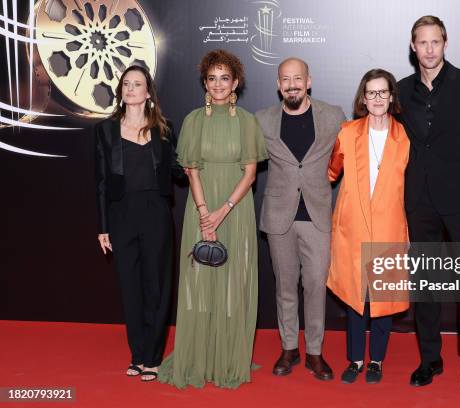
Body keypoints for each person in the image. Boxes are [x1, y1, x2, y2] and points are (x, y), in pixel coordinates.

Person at [397, 16, 460, 396]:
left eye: (435, 42)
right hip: (418, 202)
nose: (428, 49)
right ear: (412, 46)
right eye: (421, 43)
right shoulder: (401, 91)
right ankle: (430, 360)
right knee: (424, 287)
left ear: (445, 44)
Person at [157, 49, 268, 389]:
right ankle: (198, 357)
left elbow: (250, 174)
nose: (218, 84)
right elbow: (191, 170)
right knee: (199, 283)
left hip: (236, 209)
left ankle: (228, 359)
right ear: (204, 82)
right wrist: (206, 213)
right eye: (212, 78)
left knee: (235, 282)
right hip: (200, 206)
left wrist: (222, 212)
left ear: (235, 82)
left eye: (225, 78)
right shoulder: (193, 120)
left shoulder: (247, 121)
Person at [256, 58, 344, 381]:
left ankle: (315, 352)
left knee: (315, 286)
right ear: (279, 85)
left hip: (318, 214)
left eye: (298, 78)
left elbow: (351, 154)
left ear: (309, 81)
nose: (292, 84)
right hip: (280, 216)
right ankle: (289, 347)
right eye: (285, 79)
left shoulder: (332, 116)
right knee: (285, 286)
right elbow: (244, 159)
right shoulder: (262, 120)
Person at [94, 65, 182, 382]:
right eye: (126, 84)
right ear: (121, 92)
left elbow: (179, 170)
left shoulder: (165, 129)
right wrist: (103, 226)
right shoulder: (105, 130)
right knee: (130, 288)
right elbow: (102, 182)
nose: (131, 88)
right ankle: (138, 354)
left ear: (148, 92)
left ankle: (153, 358)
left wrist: (198, 162)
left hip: (156, 212)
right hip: (122, 215)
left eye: (137, 84)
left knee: (156, 287)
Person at [327, 69, 410, 384]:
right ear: (363, 98)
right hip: (353, 228)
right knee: (354, 297)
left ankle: (376, 360)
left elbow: (414, 189)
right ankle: (355, 359)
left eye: (383, 92)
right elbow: (329, 173)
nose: (377, 98)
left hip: (390, 226)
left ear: (391, 97)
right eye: (371, 93)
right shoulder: (347, 132)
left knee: (383, 298)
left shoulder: (405, 138)